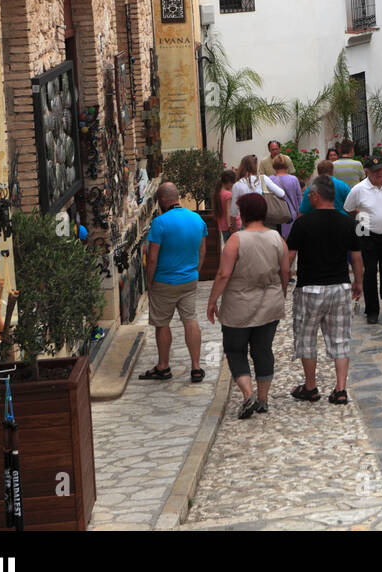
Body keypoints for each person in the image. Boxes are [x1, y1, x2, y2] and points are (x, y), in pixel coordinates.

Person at [206, 193, 288, 419]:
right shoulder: (277, 238)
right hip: (269, 302)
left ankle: (247, 393)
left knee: (235, 350)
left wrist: (212, 301)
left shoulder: (236, 240)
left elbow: (224, 274)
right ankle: (262, 399)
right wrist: (280, 293)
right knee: (263, 350)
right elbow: (286, 271)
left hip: (238, 304)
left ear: (243, 213)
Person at [285, 175, 364, 406]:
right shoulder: (349, 224)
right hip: (339, 287)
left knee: (307, 338)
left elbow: (289, 258)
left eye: (309, 195)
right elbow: (357, 257)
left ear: (316, 196)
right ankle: (340, 389)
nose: (308, 198)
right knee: (340, 339)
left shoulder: (302, 224)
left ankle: (310, 387)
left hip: (309, 288)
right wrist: (358, 282)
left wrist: (283, 280)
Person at [141, 182, 209, 382]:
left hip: (164, 281)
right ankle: (196, 367)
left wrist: (149, 282)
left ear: (162, 200)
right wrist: (195, 272)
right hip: (189, 280)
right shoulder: (197, 219)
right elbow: (202, 251)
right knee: (190, 320)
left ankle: (163, 367)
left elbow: (152, 258)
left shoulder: (160, 223)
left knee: (162, 324)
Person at [343, 156, 382, 324]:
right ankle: (372, 309)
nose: (379, 173)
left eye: (381, 169)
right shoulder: (358, 189)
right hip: (365, 232)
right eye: (375, 170)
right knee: (369, 272)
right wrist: (363, 218)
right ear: (367, 172)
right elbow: (349, 209)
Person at [231, 155, 284, 228]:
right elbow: (281, 193)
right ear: (255, 166)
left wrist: (233, 227)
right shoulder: (263, 178)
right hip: (265, 221)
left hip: (247, 223)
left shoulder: (237, 185)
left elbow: (233, 210)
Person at [270, 153, 305, 240]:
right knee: (291, 243)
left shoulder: (270, 180)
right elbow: (299, 199)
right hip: (291, 215)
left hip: (276, 215)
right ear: (287, 165)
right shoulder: (293, 179)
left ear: (274, 165)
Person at [215, 169, 237, 247]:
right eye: (233, 183)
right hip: (231, 227)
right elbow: (229, 211)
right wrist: (230, 226)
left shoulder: (218, 193)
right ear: (229, 182)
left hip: (223, 227)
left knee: (228, 247)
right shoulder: (228, 195)